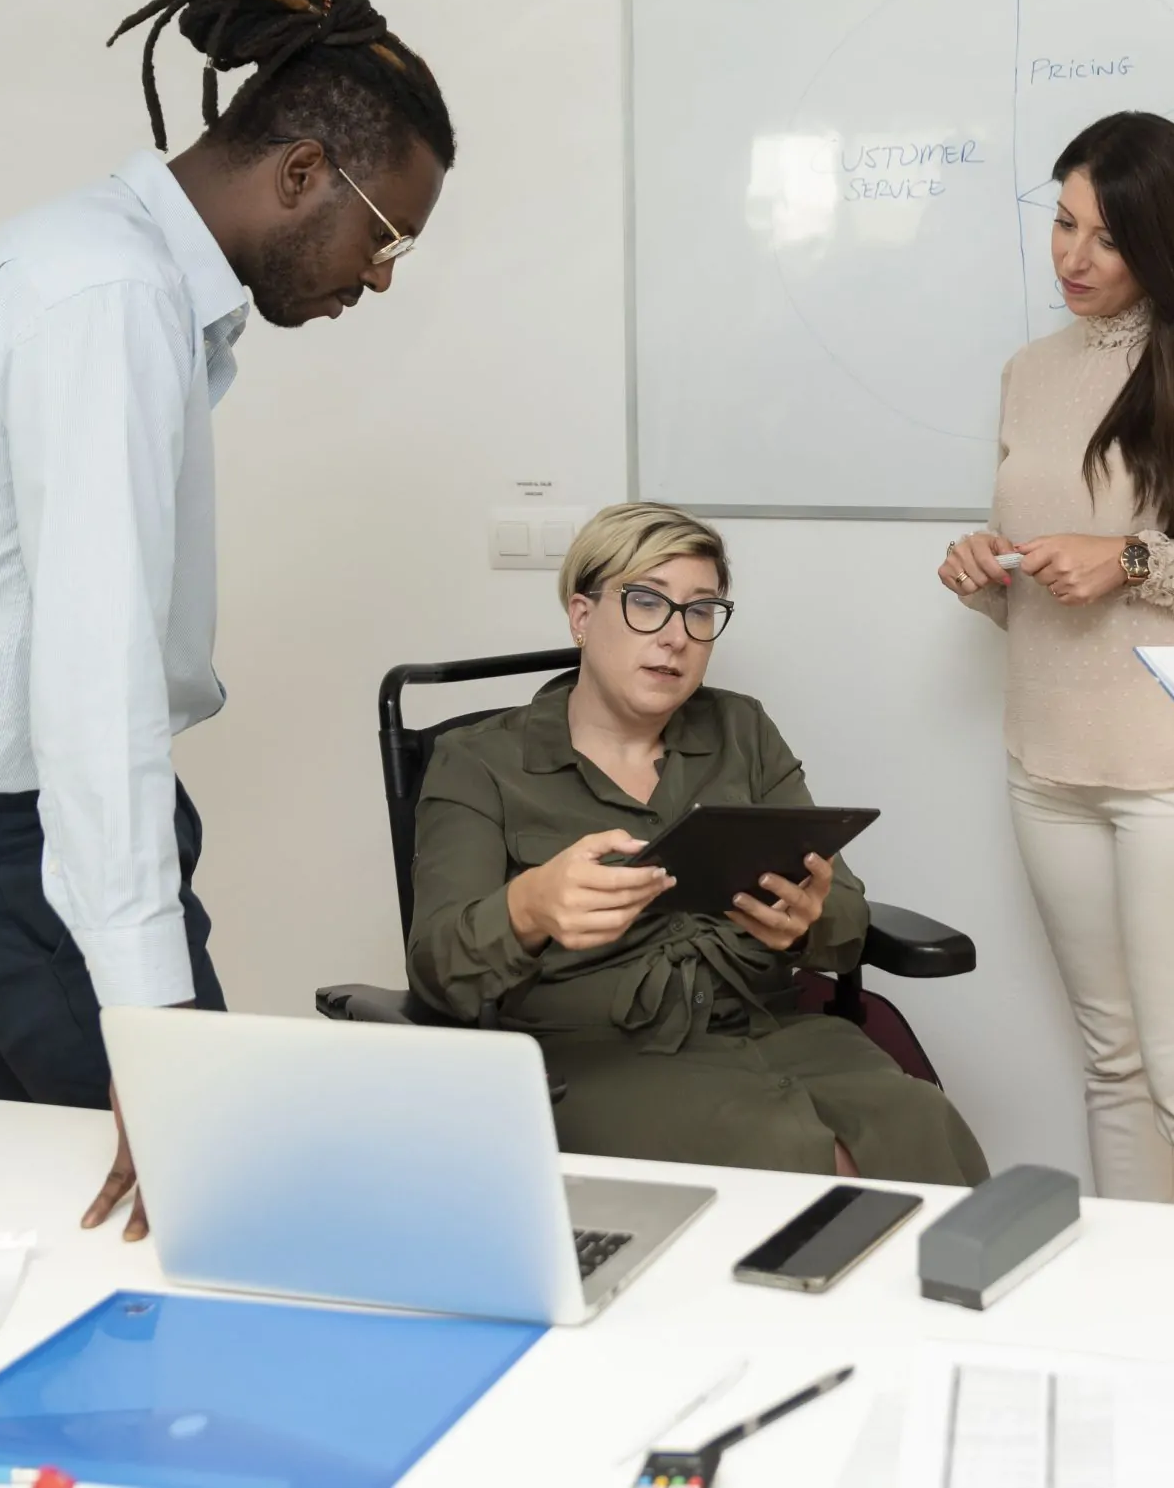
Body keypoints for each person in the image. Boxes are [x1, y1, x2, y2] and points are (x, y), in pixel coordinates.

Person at [0, 0, 455, 1242]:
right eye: (386, 235)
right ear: (303, 171)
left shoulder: (83, 260)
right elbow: (91, 674)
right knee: (208, 1197)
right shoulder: (105, 296)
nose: (381, 275)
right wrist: (152, 1011)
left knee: (57, 1203)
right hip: (6, 833)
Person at [937, 112, 1174, 1210]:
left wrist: (1134, 559)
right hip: (1047, 761)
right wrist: (987, 574)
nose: (1073, 255)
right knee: (1113, 1066)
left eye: (1107, 237)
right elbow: (1045, 589)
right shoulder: (1028, 371)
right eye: (1062, 223)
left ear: (1164, 240)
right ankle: (1131, 1302)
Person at [410, 502, 989, 1184]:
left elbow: (845, 911)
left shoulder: (742, 730)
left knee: (922, 1123)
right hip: (599, 1058)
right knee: (791, 1160)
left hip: (771, 1026)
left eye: (700, 611)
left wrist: (808, 921)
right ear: (582, 614)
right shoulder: (479, 762)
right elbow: (438, 968)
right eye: (646, 602)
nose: (675, 636)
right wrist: (528, 908)